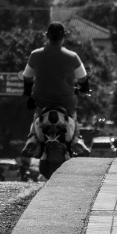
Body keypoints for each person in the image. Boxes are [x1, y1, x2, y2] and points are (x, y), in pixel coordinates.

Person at [21, 22, 91, 158]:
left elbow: (27, 77)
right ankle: (77, 139)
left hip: (41, 101)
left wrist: (27, 93)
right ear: (63, 37)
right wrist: (84, 88)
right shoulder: (73, 56)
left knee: (36, 117)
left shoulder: (35, 55)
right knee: (74, 118)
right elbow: (83, 78)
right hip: (66, 102)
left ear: (47, 36)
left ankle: (32, 140)